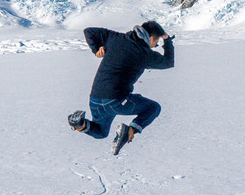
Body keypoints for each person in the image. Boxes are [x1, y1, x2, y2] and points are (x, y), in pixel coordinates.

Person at [68, 20, 175, 155]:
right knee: (153, 108)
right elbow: (169, 62)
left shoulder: (115, 38)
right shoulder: (145, 54)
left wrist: (97, 49)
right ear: (151, 38)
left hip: (95, 99)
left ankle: (80, 124)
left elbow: (89, 31)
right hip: (116, 101)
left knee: (101, 132)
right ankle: (130, 131)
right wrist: (167, 40)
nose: (154, 46)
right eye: (156, 42)